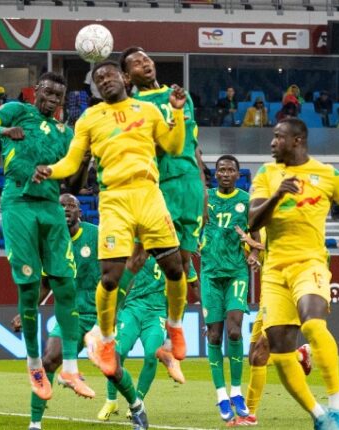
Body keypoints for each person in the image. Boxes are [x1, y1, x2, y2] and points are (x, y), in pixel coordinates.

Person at [31, 62, 188, 411]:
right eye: (98, 78)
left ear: (124, 79)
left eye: (110, 74)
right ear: (95, 87)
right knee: (110, 277)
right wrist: (51, 170)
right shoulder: (89, 118)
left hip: (148, 193)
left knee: (175, 268)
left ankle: (175, 327)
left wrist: (177, 113)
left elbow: (174, 146)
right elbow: (73, 161)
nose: (104, 80)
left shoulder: (148, 110)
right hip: (114, 199)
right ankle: (104, 339)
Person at [0, 72, 95, 402]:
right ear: (36, 91)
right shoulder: (16, 111)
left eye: (58, 96)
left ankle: (70, 368)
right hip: (19, 203)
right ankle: (34, 364)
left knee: (65, 285)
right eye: (48, 92)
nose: (52, 99)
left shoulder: (65, 133)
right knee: (28, 287)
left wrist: (84, 160)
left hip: (51, 206)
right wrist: (3, 130)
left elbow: (73, 184)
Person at [248, 117, 339, 430]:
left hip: (310, 263)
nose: (272, 143)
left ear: (297, 140)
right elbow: (253, 222)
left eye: (278, 137)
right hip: (274, 272)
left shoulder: (328, 174)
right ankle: (319, 416)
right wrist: (277, 196)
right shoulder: (266, 174)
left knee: (313, 324)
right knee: (279, 350)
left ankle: (337, 406)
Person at [20, 194, 144, 430]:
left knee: (111, 369)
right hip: (70, 315)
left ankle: (136, 406)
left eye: (71, 205)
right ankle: (35, 424)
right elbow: (45, 284)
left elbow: (122, 273)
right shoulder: (50, 243)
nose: (66, 209)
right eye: (61, 205)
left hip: (100, 314)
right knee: (48, 361)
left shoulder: (97, 235)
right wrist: (29, 308)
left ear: (80, 212)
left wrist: (115, 307)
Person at [122, 46, 204, 361]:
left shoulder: (180, 96)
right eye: (136, 63)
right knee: (139, 253)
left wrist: (203, 189)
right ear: (127, 76)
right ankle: (106, 320)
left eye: (146, 58)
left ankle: (175, 329)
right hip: (159, 184)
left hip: (190, 184)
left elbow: (192, 144)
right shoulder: (133, 106)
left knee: (182, 262)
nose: (145, 63)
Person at [228, 227, 313, 427]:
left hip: (285, 298)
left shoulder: (287, 226)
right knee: (254, 357)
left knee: (260, 355)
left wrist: (253, 243)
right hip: (266, 300)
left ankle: (249, 414)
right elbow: (254, 257)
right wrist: (252, 255)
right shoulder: (260, 228)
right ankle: (299, 356)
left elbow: (285, 252)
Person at [97, 242, 185, 422]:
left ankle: (137, 402)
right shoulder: (135, 248)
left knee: (152, 355)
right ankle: (111, 400)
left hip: (156, 313)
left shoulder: (171, 253)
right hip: (132, 309)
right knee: (118, 352)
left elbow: (181, 291)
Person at [201, 155, 260, 423]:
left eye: (230, 170)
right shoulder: (206, 198)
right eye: (221, 170)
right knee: (214, 336)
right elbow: (193, 226)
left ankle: (236, 392)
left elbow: (255, 236)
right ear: (215, 174)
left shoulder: (247, 201)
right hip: (210, 274)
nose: (225, 174)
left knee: (234, 330)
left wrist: (253, 254)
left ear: (238, 174)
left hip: (236, 272)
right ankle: (222, 395)